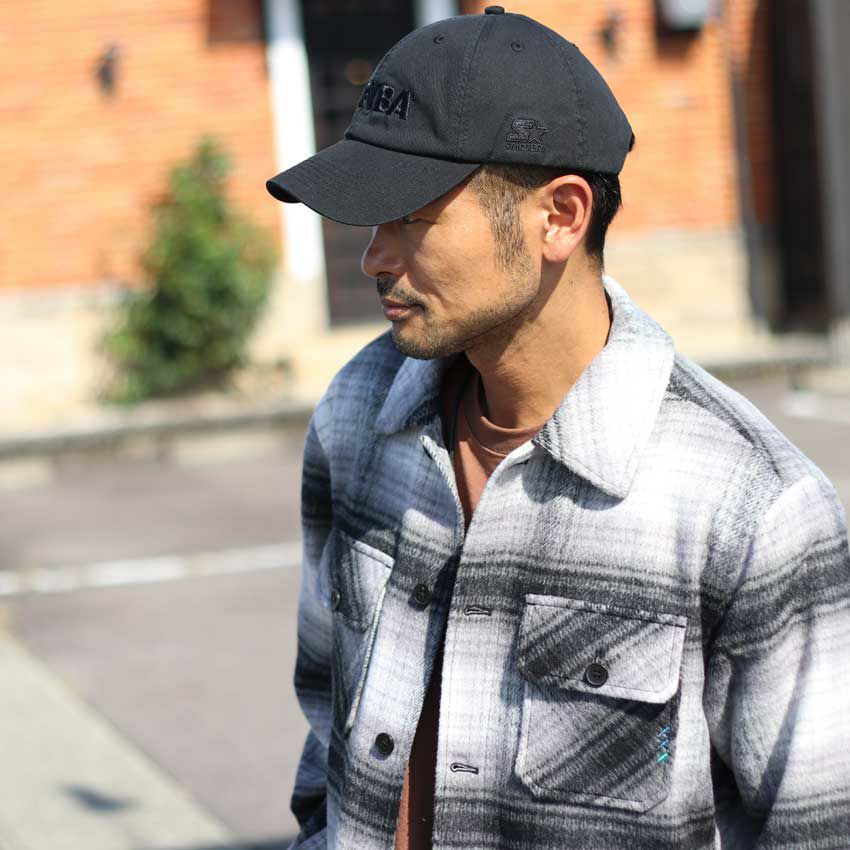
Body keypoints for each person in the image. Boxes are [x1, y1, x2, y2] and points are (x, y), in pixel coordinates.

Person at [266, 7, 850, 850]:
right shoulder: (357, 415)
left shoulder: (751, 508)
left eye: (412, 217)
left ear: (561, 216)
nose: (374, 257)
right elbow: (327, 726)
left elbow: (816, 828)